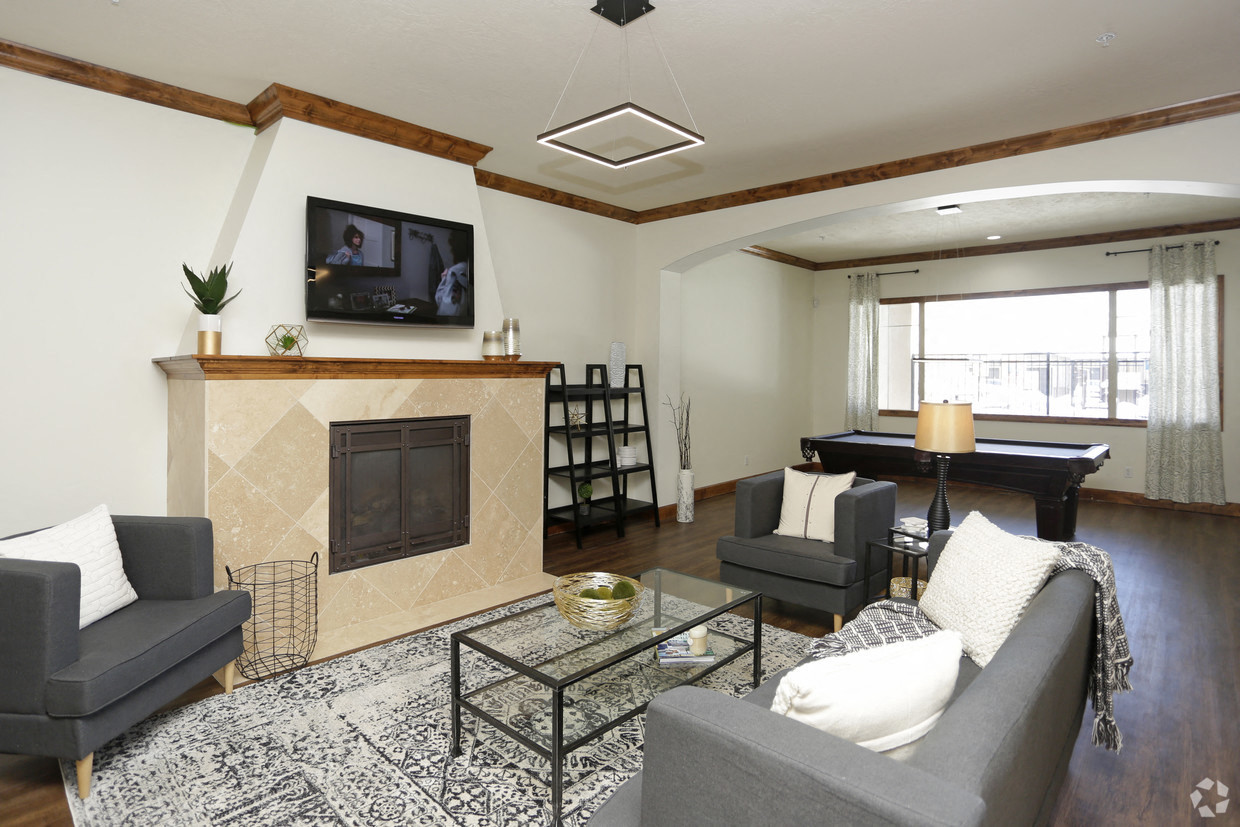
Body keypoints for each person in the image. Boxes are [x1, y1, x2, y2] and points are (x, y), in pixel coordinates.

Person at [435, 233, 470, 316]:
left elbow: (444, 305)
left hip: (448, 323)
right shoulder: (469, 268)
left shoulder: (454, 271)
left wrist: (443, 279)